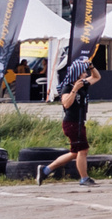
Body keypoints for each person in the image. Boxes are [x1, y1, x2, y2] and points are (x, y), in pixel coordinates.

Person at [39, 55, 101, 187]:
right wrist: (75, 90)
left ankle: (45, 170)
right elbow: (66, 104)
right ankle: (84, 178)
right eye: (83, 72)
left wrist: (91, 66)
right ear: (77, 74)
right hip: (72, 123)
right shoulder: (68, 87)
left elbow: (96, 77)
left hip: (78, 122)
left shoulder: (83, 84)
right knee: (83, 150)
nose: (85, 74)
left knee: (75, 152)